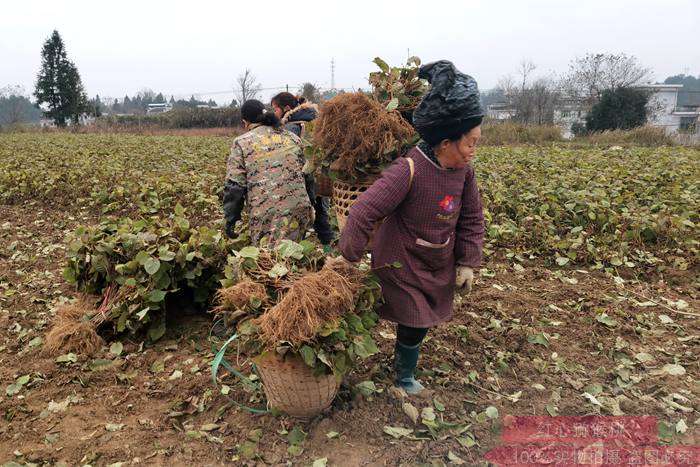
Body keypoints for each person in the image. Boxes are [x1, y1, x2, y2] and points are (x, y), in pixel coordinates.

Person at [337, 60, 485, 395]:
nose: (474, 150)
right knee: (414, 320)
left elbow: (473, 218)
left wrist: (467, 262)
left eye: (477, 141)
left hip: (438, 259)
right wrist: (348, 258)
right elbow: (363, 211)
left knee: (421, 321)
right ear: (446, 142)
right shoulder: (409, 169)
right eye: (470, 142)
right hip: (400, 260)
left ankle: (401, 367)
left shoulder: (464, 173)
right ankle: (403, 378)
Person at [222, 99, 313, 246]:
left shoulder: (242, 142)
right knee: (295, 254)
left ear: (245, 122)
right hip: (299, 208)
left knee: (269, 261)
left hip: (266, 213)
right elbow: (308, 175)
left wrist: (231, 219)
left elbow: (235, 186)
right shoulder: (292, 138)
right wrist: (312, 203)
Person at [271, 92, 335, 252]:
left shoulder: (290, 128)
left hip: (301, 180)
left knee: (297, 218)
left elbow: (286, 158)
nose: (274, 114)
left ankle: (297, 254)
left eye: (275, 109)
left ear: (286, 108)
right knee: (321, 214)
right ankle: (328, 252)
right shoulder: (317, 121)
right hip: (321, 177)